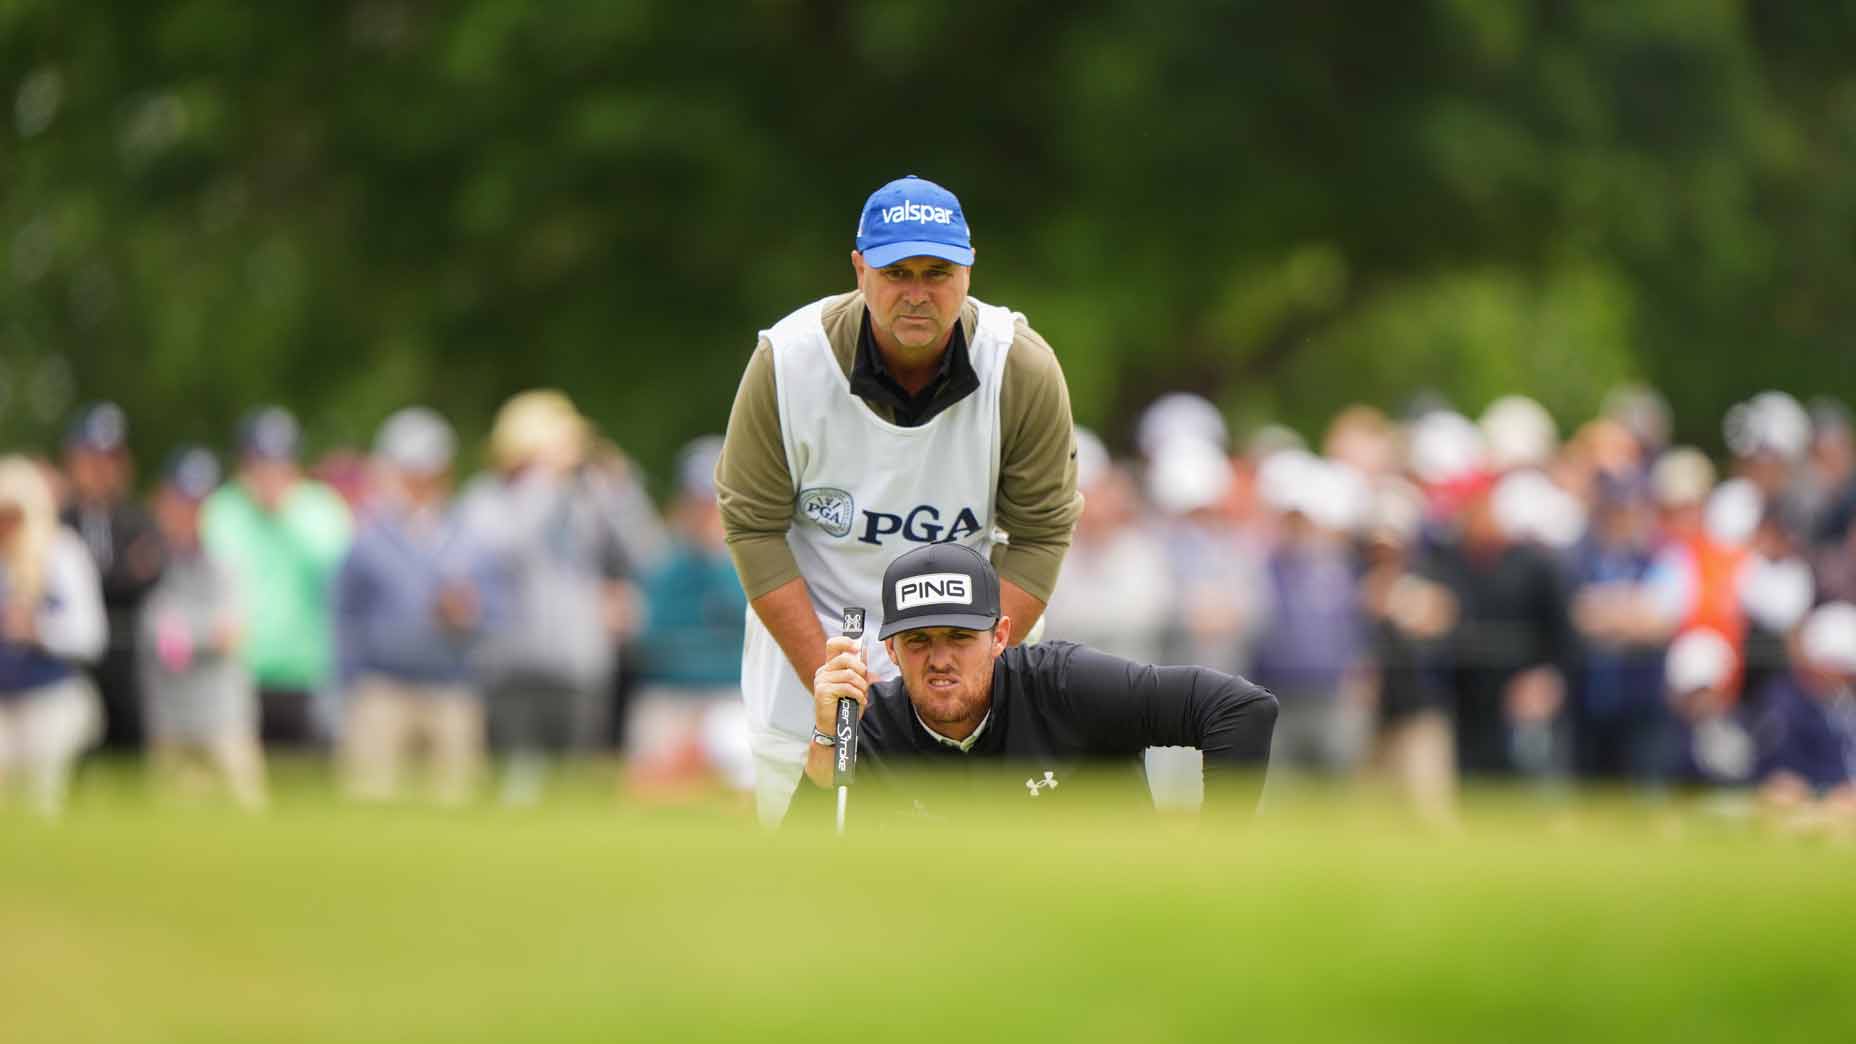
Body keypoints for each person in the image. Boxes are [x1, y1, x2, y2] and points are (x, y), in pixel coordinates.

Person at [716, 174, 1082, 824]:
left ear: (969, 271)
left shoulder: (1019, 369)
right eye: (896, 272)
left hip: (964, 666)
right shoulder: (789, 362)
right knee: (803, 888)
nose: (917, 294)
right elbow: (751, 528)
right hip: (813, 663)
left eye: (937, 272)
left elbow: (1039, 536)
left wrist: (967, 676)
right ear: (860, 269)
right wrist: (829, 684)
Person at [792, 544, 1276, 823]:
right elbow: (796, 874)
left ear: (1000, 636)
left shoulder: (1065, 686)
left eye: (960, 637)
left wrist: (1211, 856)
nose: (940, 659)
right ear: (891, 649)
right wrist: (824, 743)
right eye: (918, 640)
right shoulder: (870, 727)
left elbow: (1239, 708)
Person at [456, 390, 641, 804]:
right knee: (517, 786)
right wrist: (543, 482)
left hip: (579, 664)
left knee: (573, 789)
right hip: (510, 664)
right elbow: (505, 549)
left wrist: (620, 488)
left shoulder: (585, 499)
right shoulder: (486, 499)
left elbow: (640, 551)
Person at [334, 408, 500, 805]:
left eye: (429, 473)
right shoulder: (367, 539)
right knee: (370, 804)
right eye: (411, 473)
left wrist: (469, 614)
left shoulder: (469, 536)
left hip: (451, 688)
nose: (420, 484)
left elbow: (496, 612)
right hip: (381, 690)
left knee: (457, 807)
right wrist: (342, 688)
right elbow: (344, 617)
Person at [201, 407, 354, 747]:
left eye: (279, 463)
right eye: (260, 463)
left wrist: (283, 516)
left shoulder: (323, 509)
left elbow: (336, 581)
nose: (269, 474)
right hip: (240, 673)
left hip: (309, 672)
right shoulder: (221, 511)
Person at [138, 447, 266, 809]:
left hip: (224, 719)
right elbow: (155, 634)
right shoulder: (149, 559)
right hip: (169, 721)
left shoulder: (227, 559)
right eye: (182, 500)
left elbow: (229, 634)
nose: (189, 513)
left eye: (198, 502)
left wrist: (182, 633)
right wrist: (194, 632)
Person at [627, 436, 752, 794]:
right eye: (701, 502)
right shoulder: (663, 560)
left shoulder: (759, 561)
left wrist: (718, 559)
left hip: (732, 695)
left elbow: (753, 631)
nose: (708, 511)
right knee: (652, 783)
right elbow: (651, 633)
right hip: (671, 693)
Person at [0, 456, 107, 815]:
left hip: (51, 694)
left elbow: (91, 635)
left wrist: (38, 630)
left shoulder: (61, 554)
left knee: (41, 801)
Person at [60, 402, 165, 751]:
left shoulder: (138, 520)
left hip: (129, 650)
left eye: (109, 460)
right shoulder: (60, 521)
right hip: (72, 654)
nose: (100, 470)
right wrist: (119, 575)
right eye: (91, 458)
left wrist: (94, 579)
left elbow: (150, 574)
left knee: (130, 743)